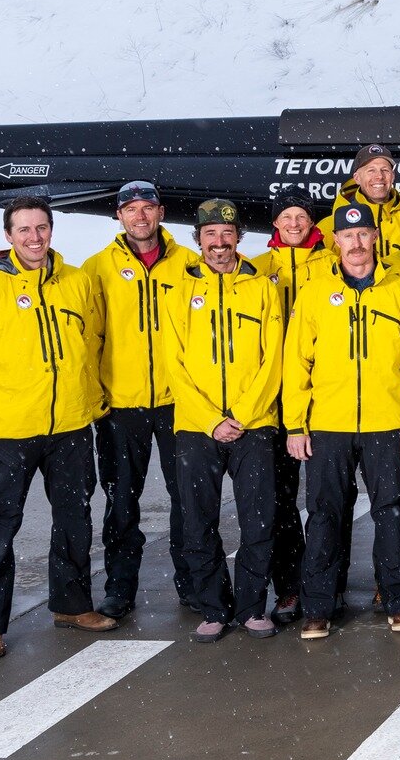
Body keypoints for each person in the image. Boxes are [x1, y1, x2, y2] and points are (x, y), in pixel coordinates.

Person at [0, 198, 116, 659]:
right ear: (8, 236)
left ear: (51, 231)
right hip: (11, 430)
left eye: (41, 228)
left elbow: (93, 342)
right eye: (23, 230)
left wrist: (87, 396)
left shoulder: (77, 282)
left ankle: (72, 604)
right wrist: (6, 396)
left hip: (71, 425)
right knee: (1, 524)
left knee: (74, 519)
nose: (34, 237)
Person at [284, 201, 400, 639]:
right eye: (347, 236)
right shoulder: (313, 292)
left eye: (363, 234)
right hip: (328, 424)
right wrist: (295, 423)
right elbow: (297, 362)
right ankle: (319, 607)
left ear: (374, 238)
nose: (355, 243)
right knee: (326, 514)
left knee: (391, 513)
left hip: (386, 423)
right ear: (335, 242)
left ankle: (399, 602)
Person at [165, 200, 285, 641]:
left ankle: (253, 606)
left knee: (259, 518)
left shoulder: (262, 287)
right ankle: (214, 607)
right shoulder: (179, 292)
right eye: (210, 235)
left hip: (253, 424)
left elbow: (273, 358)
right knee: (198, 519)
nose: (219, 243)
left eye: (227, 234)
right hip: (197, 425)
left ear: (238, 238)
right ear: (198, 240)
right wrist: (212, 417)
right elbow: (173, 364)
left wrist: (243, 414)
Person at [80, 180, 195, 619]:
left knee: (187, 498)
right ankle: (120, 589)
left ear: (161, 213)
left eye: (148, 208)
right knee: (121, 501)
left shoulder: (189, 265)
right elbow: (87, 339)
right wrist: (97, 396)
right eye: (131, 209)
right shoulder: (97, 269)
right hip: (120, 407)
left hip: (178, 404)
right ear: (118, 216)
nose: (140, 216)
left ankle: (192, 583)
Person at [250, 187, 327, 624]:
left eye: (301, 215)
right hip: (272, 399)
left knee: (327, 497)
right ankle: (290, 587)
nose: (294, 223)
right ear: (275, 223)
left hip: (323, 395)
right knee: (279, 498)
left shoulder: (330, 265)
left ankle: (325, 583)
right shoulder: (259, 270)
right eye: (286, 217)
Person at [317, 143, 400, 264]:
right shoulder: (329, 226)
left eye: (385, 170)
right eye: (371, 170)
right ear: (357, 178)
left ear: (393, 176)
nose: (379, 176)